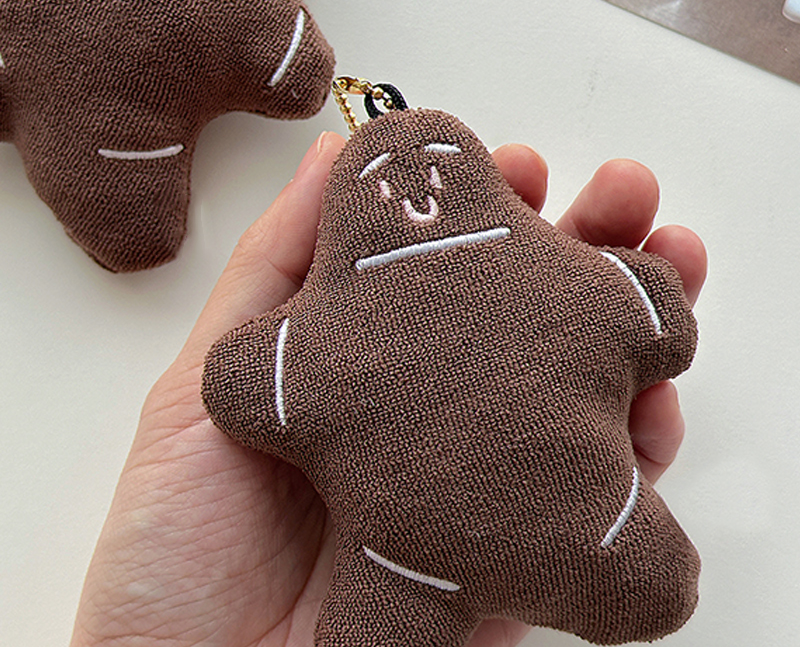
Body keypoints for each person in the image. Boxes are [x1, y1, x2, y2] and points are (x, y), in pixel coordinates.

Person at [68, 131, 707, 647]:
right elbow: (652, 305)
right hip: (589, 536)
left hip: (404, 576)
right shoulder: (580, 283)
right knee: (647, 582)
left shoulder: (310, 344)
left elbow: (246, 378)